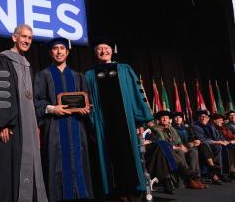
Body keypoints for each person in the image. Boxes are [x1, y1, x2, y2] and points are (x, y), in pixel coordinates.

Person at [0, 24, 48, 202]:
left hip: (27, 128)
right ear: (14, 37)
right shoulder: (2, 59)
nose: (27, 41)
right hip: (10, 127)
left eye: (30, 38)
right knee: (8, 171)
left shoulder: (26, 64)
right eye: (23, 36)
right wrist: (1, 123)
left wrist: (35, 125)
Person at [85, 39, 153, 201]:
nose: (103, 51)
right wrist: (92, 120)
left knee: (128, 151)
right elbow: (87, 100)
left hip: (126, 120)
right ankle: (116, 191)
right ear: (95, 53)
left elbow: (137, 94)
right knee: (108, 155)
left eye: (106, 48)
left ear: (112, 50)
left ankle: (133, 188)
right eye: (100, 49)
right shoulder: (89, 74)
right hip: (103, 122)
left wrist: (139, 121)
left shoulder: (124, 69)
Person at [33, 37, 93, 202]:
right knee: (56, 165)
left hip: (76, 127)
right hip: (54, 128)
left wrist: (86, 109)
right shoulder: (43, 75)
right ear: (50, 52)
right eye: (55, 48)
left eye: (62, 48)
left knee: (78, 162)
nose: (59, 51)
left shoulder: (78, 76)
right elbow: (36, 101)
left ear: (67, 52)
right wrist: (53, 108)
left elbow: (86, 101)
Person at [152, 111, 206, 189]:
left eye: (166, 118)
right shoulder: (156, 129)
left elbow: (178, 141)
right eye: (162, 118)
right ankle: (189, 179)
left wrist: (183, 146)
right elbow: (162, 143)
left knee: (193, 152)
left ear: (169, 119)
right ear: (159, 120)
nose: (165, 119)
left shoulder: (171, 128)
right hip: (167, 150)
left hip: (177, 148)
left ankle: (196, 177)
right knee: (180, 152)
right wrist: (179, 148)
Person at [192, 110, 231, 184]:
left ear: (208, 118)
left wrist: (223, 141)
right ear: (198, 118)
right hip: (202, 145)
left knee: (223, 147)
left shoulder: (211, 126)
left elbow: (218, 136)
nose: (203, 118)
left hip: (213, 144)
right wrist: (216, 142)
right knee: (214, 146)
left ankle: (223, 173)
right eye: (201, 117)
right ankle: (214, 173)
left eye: (205, 117)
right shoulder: (195, 126)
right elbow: (201, 139)